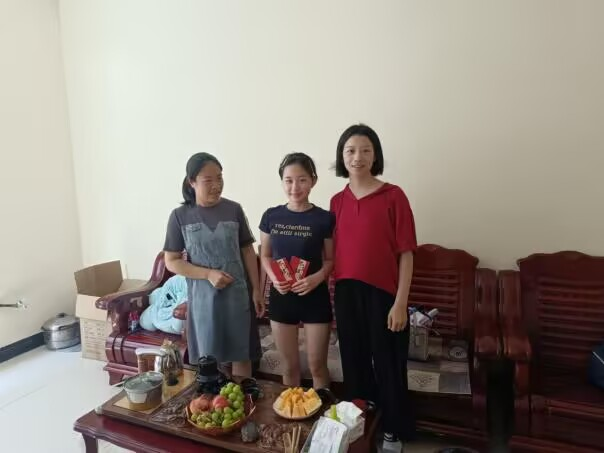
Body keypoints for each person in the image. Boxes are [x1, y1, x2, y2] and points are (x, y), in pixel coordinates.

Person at [330, 124, 416, 446]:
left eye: (365, 150)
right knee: (353, 364)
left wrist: (400, 302)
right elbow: (332, 253)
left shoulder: (394, 196)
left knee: (389, 365)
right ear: (342, 156)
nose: (358, 157)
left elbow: (406, 254)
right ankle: (359, 431)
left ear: (375, 155)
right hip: (346, 293)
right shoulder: (336, 201)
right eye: (351, 150)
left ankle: (393, 430)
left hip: (384, 296)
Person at [163, 152, 264, 378]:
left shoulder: (234, 209)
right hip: (203, 299)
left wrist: (256, 289)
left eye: (219, 178)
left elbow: (248, 251)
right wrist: (207, 274)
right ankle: (212, 398)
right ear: (192, 182)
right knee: (208, 359)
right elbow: (172, 261)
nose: (216, 185)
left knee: (241, 354)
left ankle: (243, 396)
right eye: (208, 180)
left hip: (238, 294)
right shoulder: (179, 216)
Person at [259, 152, 334, 389]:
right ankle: (292, 410)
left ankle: (323, 410)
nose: (295, 187)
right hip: (282, 296)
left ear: (313, 181)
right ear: (282, 182)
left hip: (315, 296)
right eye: (288, 180)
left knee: (317, 366)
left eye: (302, 180)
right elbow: (265, 255)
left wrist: (317, 278)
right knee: (289, 367)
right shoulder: (271, 216)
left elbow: (331, 259)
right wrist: (274, 278)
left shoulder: (324, 218)